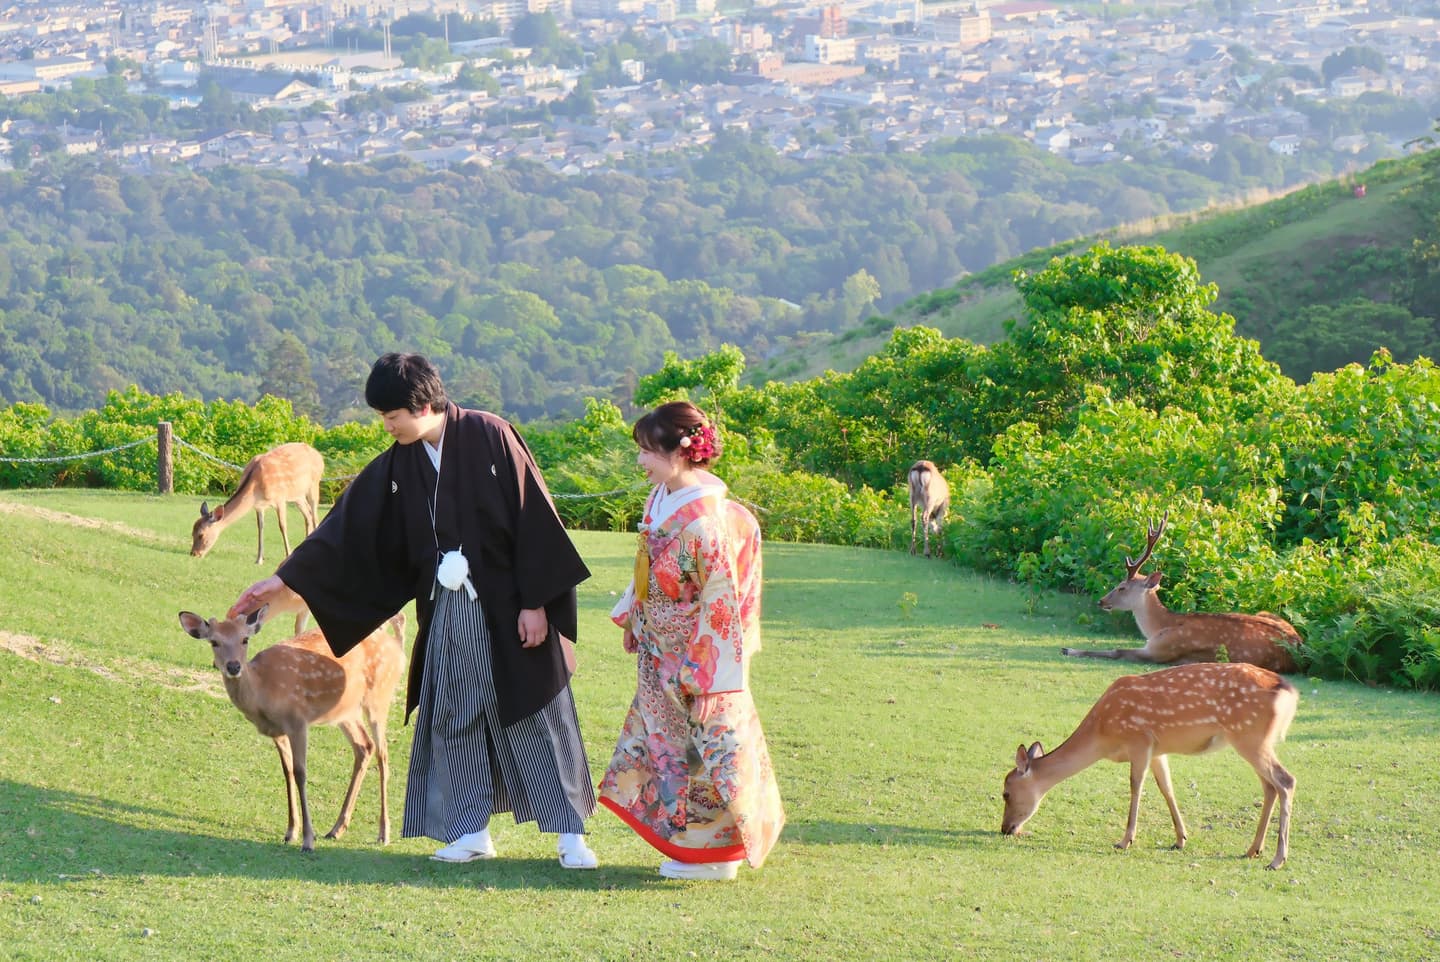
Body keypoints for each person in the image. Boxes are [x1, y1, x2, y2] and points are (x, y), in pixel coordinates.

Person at [230, 353, 598, 869]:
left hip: (512, 604)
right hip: (446, 608)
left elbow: (534, 517)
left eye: (391, 415)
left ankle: (570, 835)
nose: (386, 425)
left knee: (539, 713)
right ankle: (469, 830)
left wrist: (536, 603)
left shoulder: (493, 436)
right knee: (451, 709)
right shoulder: (399, 462)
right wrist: (283, 579)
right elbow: (346, 529)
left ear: (425, 404)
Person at [598, 401, 784, 881]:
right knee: (669, 747)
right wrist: (637, 616)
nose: (641, 461)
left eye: (646, 451)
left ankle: (717, 856)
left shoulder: (706, 517)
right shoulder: (665, 496)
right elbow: (648, 565)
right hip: (663, 648)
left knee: (710, 748)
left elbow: (720, 601)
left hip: (698, 655)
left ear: (679, 452)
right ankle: (688, 849)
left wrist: (710, 679)